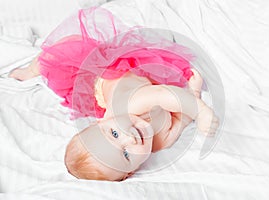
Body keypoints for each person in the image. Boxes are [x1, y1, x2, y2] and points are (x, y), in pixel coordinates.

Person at [9, 6, 219, 181]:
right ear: (131, 171)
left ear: (101, 122)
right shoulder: (156, 143)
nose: (130, 139)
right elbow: (180, 121)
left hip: (110, 72)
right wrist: (194, 92)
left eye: (115, 134)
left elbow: (167, 95)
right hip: (118, 93)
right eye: (126, 154)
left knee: (60, 54)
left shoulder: (132, 105)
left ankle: (30, 70)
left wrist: (201, 111)